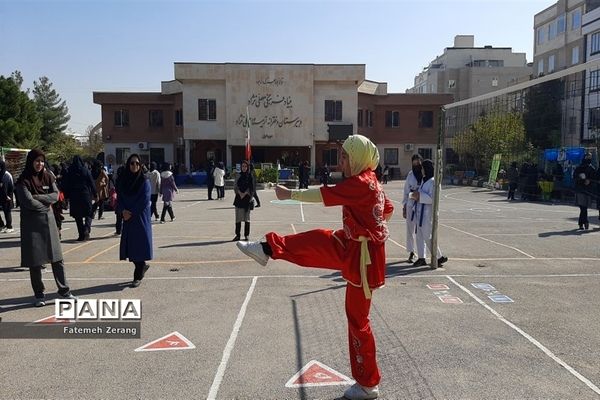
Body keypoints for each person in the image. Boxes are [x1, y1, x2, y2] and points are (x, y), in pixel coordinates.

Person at [236, 135, 394, 400]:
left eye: (345, 157)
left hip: (362, 257)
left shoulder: (361, 183)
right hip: (353, 244)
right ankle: (267, 249)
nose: (341, 161)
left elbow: (326, 194)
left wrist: (290, 194)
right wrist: (368, 224)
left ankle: (368, 384)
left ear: (357, 159)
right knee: (319, 239)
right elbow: (387, 209)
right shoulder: (370, 181)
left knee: (358, 320)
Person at [15, 149, 77, 307]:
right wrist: (46, 204)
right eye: (36, 161)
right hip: (32, 226)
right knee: (35, 262)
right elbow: (28, 202)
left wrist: (39, 197)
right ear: (31, 162)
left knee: (57, 259)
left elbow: (56, 196)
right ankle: (39, 294)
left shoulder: (48, 176)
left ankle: (64, 291)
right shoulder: (23, 180)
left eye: (42, 161)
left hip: (49, 223)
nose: (39, 164)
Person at [117, 154, 152, 287]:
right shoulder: (122, 180)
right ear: (128, 164)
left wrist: (131, 213)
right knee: (130, 247)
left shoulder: (144, 180)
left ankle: (138, 275)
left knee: (140, 246)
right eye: (132, 163)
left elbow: (144, 200)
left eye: (137, 163)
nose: (134, 166)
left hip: (140, 218)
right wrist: (122, 211)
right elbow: (119, 198)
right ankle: (142, 266)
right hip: (127, 217)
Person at [412, 159, 448, 268]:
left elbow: (433, 199)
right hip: (420, 211)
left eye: (423, 168)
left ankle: (438, 256)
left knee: (428, 236)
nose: (421, 170)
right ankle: (421, 257)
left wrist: (420, 195)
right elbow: (420, 194)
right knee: (419, 236)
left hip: (427, 214)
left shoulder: (433, 182)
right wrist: (414, 195)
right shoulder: (424, 180)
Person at [62, 155, 96, 241]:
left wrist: (66, 196)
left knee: (78, 216)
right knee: (89, 213)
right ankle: (87, 229)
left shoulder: (69, 171)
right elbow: (91, 183)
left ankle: (81, 235)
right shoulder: (85, 170)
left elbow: (66, 185)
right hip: (85, 195)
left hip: (74, 196)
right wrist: (95, 194)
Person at [402, 154, 423, 263]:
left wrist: (418, 195)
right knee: (410, 230)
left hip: (422, 205)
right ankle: (411, 252)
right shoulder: (410, 175)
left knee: (420, 231)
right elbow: (406, 191)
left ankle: (422, 255)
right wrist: (405, 206)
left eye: (418, 164)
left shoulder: (425, 175)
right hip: (411, 204)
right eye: (414, 164)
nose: (416, 166)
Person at [232, 160, 254, 241]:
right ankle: (237, 235)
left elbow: (252, 187)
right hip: (238, 199)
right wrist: (239, 193)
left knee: (246, 218)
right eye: (243, 166)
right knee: (238, 218)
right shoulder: (238, 175)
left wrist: (245, 193)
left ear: (248, 167)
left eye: (245, 166)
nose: (244, 168)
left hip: (247, 199)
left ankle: (246, 235)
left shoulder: (250, 176)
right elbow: (235, 186)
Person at [573, 155, 596, 230]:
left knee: (584, 207)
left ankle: (581, 223)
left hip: (588, 190)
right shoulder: (579, 168)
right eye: (587, 158)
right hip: (580, 190)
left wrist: (589, 181)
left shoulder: (592, 168)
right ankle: (585, 222)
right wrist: (581, 178)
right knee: (583, 208)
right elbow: (575, 177)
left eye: (589, 158)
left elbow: (595, 178)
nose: (588, 160)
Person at [0, 160, 15, 233]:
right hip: (1, 195)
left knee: (7, 211)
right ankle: (1, 225)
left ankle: (9, 226)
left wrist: (8, 196)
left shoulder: (6, 175)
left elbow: (10, 187)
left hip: (7, 196)